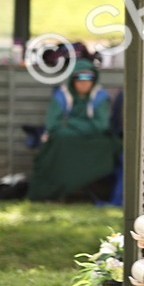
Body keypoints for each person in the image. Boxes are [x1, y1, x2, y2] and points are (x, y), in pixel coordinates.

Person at [27, 58, 120, 201]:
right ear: (72, 79)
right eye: (79, 77)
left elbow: (101, 126)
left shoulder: (100, 97)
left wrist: (70, 123)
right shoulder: (62, 95)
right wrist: (84, 125)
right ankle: (50, 193)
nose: (84, 82)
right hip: (65, 143)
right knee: (59, 140)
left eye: (89, 77)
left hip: (92, 143)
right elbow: (52, 124)